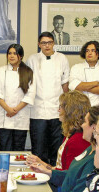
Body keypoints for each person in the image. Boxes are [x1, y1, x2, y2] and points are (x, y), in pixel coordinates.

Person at [28, 105, 99, 192]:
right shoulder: (90, 149)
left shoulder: (96, 159)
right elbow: (72, 175)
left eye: (85, 122)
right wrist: (49, 172)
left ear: (94, 128)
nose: (82, 125)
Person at [26, 32, 70, 166]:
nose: (47, 45)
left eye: (49, 42)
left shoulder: (62, 58)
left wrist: (65, 107)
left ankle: (55, 180)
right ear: (39, 44)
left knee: (56, 148)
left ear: (54, 43)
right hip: (38, 110)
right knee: (39, 149)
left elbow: (65, 84)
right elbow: (28, 83)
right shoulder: (32, 59)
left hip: (57, 111)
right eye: (44, 43)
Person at [27, 91, 92, 171]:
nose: (58, 110)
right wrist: (40, 163)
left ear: (69, 111)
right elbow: (59, 169)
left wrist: (45, 171)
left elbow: (68, 176)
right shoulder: (70, 135)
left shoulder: (77, 140)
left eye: (60, 107)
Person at [0, 44, 35, 151]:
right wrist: (8, 110)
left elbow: (30, 95)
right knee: (4, 150)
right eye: (9, 53)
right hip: (4, 116)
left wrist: (15, 110)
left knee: (18, 151)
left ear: (20, 56)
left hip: (21, 117)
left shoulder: (28, 72)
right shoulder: (1, 71)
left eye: (15, 53)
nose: (11, 56)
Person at [69, 41, 99, 106]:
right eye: (87, 51)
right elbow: (74, 87)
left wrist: (83, 87)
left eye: (93, 50)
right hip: (80, 108)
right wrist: (95, 83)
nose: (89, 53)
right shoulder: (76, 68)